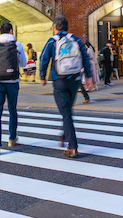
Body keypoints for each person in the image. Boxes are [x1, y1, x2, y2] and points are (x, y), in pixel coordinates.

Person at [39, 16, 92, 158]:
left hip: (59, 80)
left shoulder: (53, 41)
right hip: (75, 79)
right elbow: (85, 58)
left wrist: (42, 76)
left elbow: (44, 58)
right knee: (67, 110)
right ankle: (64, 134)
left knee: (66, 112)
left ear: (55, 27)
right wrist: (89, 77)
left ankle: (73, 147)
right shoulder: (76, 39)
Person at [0, 21, 27, 155]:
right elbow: (24, 63)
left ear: (0, 32)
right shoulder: (17, 44)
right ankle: (12, 138)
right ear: (11, 31)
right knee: (12, 110)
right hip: (13, 82)